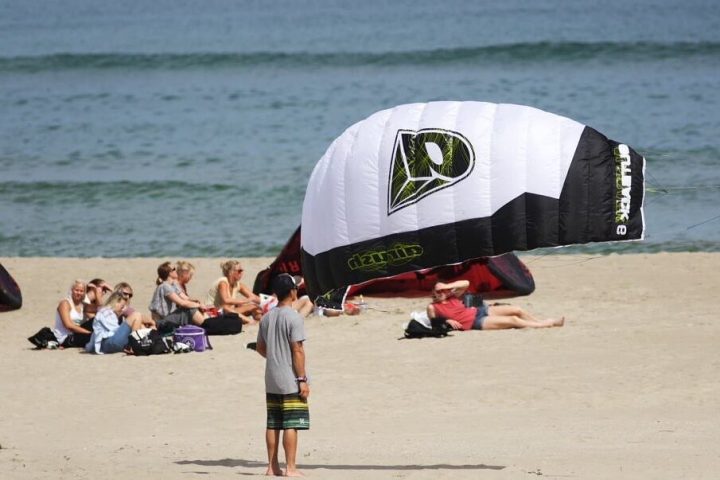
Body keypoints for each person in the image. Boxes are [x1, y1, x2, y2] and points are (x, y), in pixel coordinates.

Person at [256, 274, 310, 477]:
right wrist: (302, 379)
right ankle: (291, 468)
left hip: (271, 377)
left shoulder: (267, 316)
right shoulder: (293, 317)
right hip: (290, 378)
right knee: (291, 423)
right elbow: (297, 350)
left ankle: (272, 467)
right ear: (292, 292)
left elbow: (261, 347)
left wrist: (275, 357)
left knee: (273, 422)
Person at [427, 280, 564, 331]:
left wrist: (447, 285)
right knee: (513, 320)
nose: (439, 294)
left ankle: (539, 322)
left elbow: (466, 283)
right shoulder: (432, 307)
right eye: (436, 292)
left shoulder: (452, 296)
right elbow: (434, 324)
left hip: (479, 310)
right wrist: (447, 321)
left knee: (517, 310)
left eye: (441, 291)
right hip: (474, 321)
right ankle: (547, 324)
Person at [28, 279, 94, 349]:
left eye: (81, 291)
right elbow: (69, 326)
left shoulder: (83, 305)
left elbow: (97, 316)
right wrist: (89, 333)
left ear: (84, 293)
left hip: (77, 334)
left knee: (97, 320)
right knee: (94, 337)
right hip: (65, 338)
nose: (78, 293)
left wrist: (96, 289)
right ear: (72, 290)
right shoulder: (65, 303)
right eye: (76, 290)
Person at [85, 288, 154, 354]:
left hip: (109, 343)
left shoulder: (108, 312)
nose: (123, 310)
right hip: (109, 342)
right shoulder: (106, 312)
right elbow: (114, 330)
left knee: (140, 324)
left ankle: (151, 341)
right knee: (136, 315)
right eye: (122, 306)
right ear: (116, 303)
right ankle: (134, 346)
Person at [149, 261, 207, 333]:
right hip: (162, 323)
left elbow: (185, 298)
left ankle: (206, 324)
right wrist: (198, 305)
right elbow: (182, 303)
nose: (176, 270)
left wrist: (196, 302)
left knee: (192, 307)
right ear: (169, 273)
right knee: (190, 310)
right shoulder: (165, 286)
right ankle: (207, 326)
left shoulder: (173, 285)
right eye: (174, 269)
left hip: (169, 318)